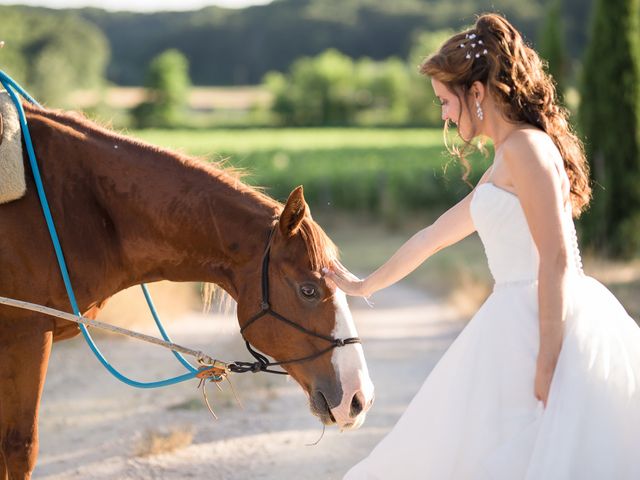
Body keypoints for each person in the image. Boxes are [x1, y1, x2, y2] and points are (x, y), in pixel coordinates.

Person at [323, 12, 640, 480]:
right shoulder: (506, 158)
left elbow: (554, 257)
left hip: (541, 322)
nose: (444, 116)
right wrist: (362, 283)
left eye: (444, 102)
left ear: (476, 92)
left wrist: (548, 358)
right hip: (513, 321)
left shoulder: (526, 150)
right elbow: (433, 236)